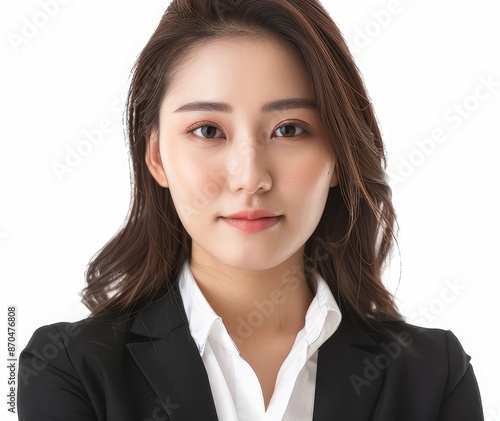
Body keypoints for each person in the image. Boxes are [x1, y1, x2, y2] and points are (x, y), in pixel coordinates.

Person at [17, 0, 483, 420]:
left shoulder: (433, 376)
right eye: (206, 130)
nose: (250, 177)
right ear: (156, 156)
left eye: (289, 130)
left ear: (338, 155)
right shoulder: (70, 369)